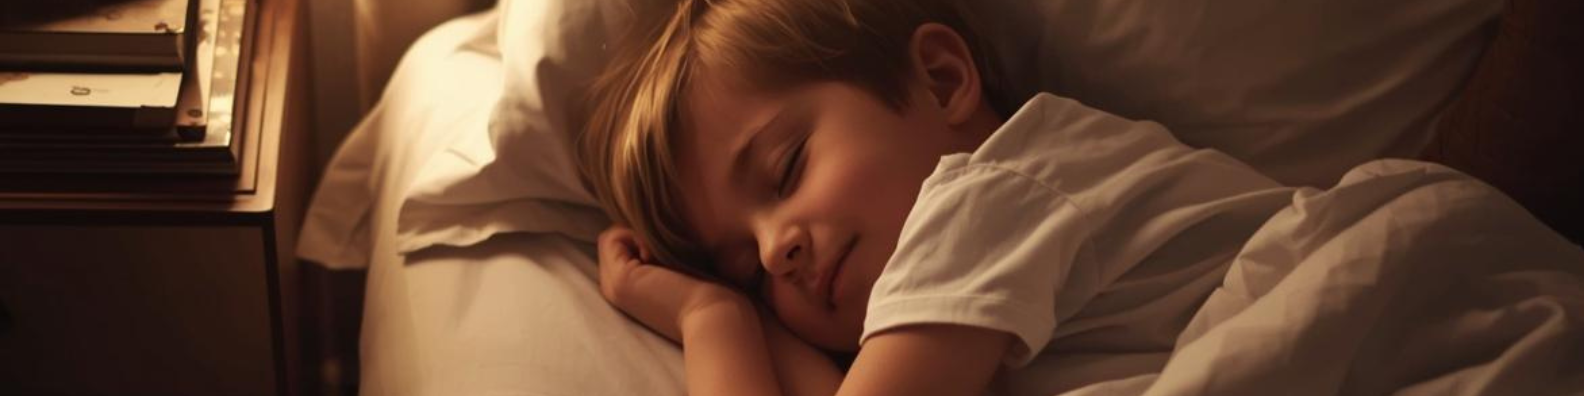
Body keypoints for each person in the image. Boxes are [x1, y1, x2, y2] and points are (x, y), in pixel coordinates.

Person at [575, 0, 1584, 395]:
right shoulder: (945, 309)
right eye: (745, 264)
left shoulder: (991, 195)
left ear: (942, 80)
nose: (776, 250)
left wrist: (713, 320)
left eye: (787, 168)